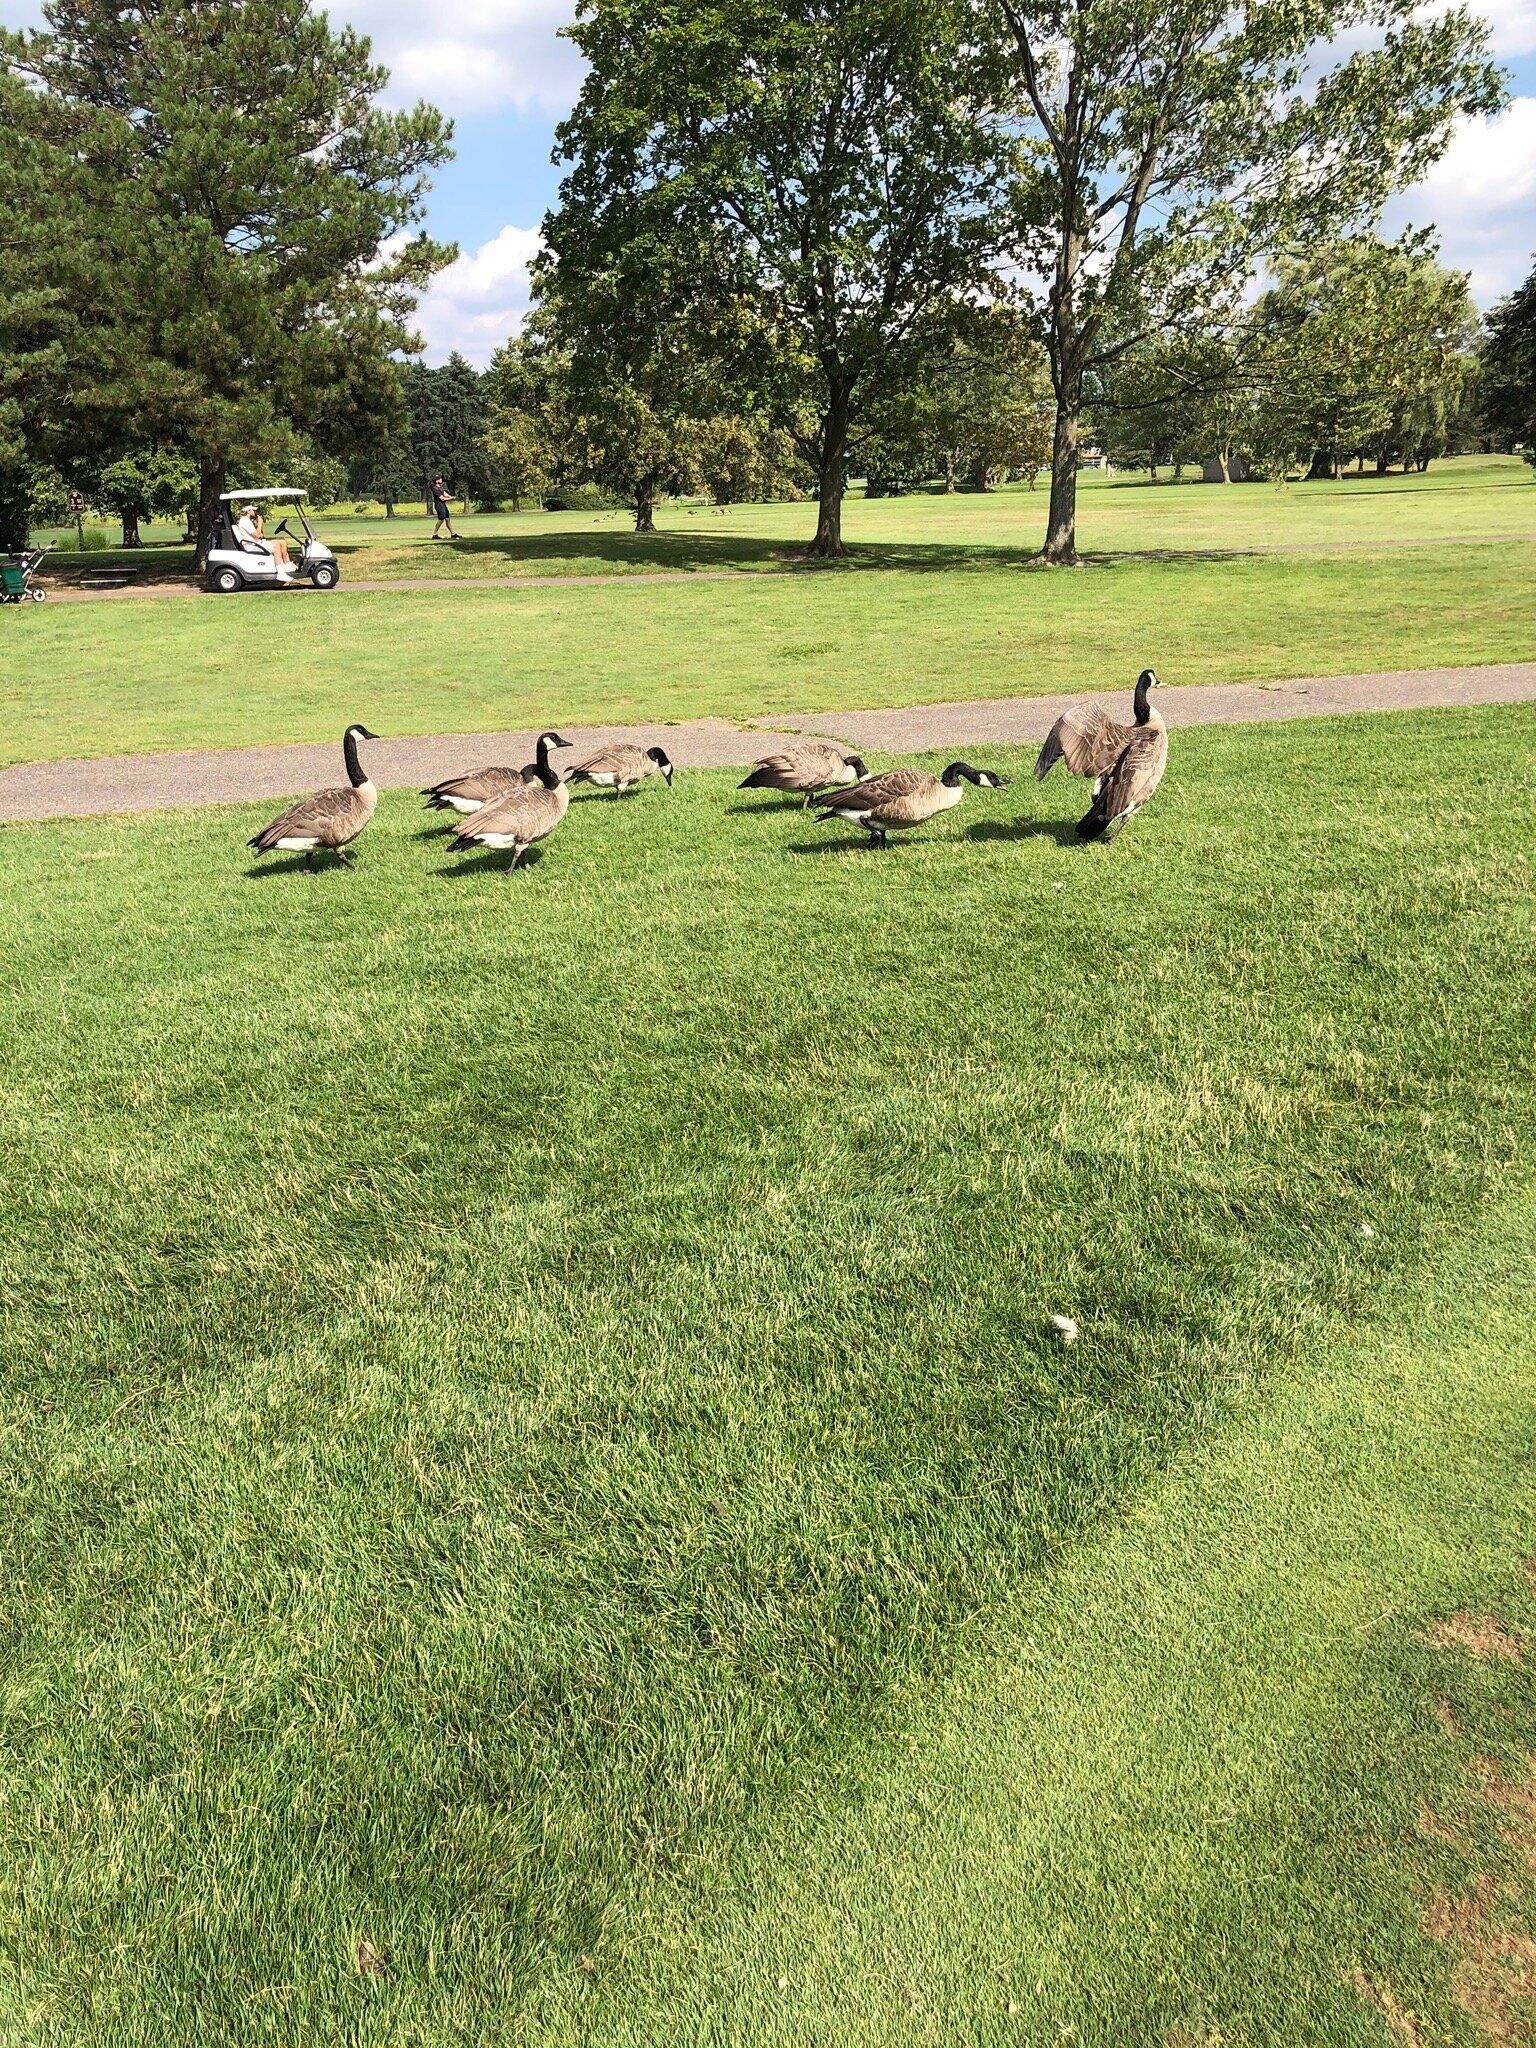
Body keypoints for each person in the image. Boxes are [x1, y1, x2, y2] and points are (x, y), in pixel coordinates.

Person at [235, 504, 294, 581]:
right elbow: (257, 535)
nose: (255, 512)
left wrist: (259, 533)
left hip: (256, 543)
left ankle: (286, 564)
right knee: (276, 546)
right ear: (248, 511)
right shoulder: (245, 522)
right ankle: (280, 574)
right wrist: (260, 523)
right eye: (253, 510)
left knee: (282, 542)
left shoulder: (246, 521)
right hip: (253, 546)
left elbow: (258, 535)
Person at [429, 475, 460, 541]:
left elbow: (445, 494)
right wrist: (451, 498)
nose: (441, 479)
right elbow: (442, 498)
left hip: (443, 505)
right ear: (437, 481)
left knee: (447, 519)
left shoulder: (440, 487)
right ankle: (434, 534)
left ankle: (453, 534)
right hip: (439, 505)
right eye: (440, 479)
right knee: (441, 519)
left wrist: (451, 497)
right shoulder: (435, 489)